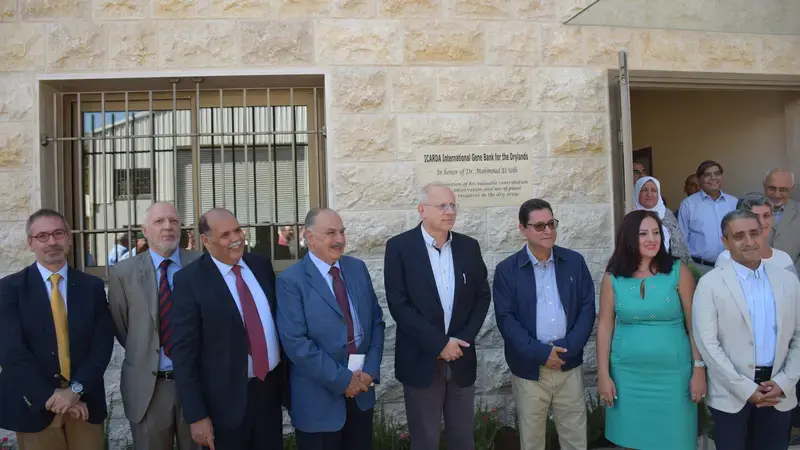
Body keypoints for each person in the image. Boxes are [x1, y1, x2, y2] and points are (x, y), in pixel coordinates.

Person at [384, 182, 491, 450]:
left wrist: (460, 340)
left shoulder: (469, 247)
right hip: (421, 361)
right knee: (425, 441)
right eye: (442, 205)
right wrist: (440, 344)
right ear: (422, 210)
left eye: (453, 205)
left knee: (463, 440)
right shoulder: (399, 247)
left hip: (460, 358)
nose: (450, 211)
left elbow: (482, 296)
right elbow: (399, 305)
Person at [171, 208, 287, 450]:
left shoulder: (261, 265)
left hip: (269, 392)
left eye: (237, 230)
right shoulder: (189, 281)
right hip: (223, 405)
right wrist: (196, 416)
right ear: (205, 240)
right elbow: (183, 355)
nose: (236, 238)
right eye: (225, 235)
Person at [0, 209, 114, 450]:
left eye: (58, 233)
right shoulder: (9, 289)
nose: (52, 241)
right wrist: (52, 399)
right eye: (42, 236)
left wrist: (75, 391)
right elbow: (11, 353)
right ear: (30, 243)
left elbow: (101, 346)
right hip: (35, 408)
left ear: (69, 238)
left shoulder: (91, 287)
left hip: (86, 406)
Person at [276, 208, 385, 450]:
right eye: (331, 233)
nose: (340, 240)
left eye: (342, 232)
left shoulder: (357, 269)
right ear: (309, 237)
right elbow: (296, 343)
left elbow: (376, 322)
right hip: (318, 403)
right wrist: (344, 380)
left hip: (361, 395)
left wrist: (370, 370)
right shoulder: (291, 281)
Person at [597, 210, 706, 450]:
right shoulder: (612, 277)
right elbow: (605, 327)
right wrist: (604, 375)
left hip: (674, 378)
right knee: (632, 441)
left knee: (676, 440)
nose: (651, 239)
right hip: (627, 378)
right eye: (643, 233)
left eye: (656, 232)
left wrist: (699, 369)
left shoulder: (678, 271)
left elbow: (694, 324)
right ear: (628, 238)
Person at [493, 199, 596, 450]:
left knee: (575, 438)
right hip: (530, 369)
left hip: (568, 364)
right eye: (539, 226)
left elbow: (587, 308)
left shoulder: (574, 262)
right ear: (523, 229)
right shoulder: (507, 270)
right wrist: (541, 353)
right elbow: (506, 320)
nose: (548, 230)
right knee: (532, 441)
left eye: (551, 223)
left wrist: (566, 349)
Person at [693, 209, 800, 450]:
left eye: (754, 233)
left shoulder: (788, 280)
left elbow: (798, 335)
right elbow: (708, 343)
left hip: (778, 392)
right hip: (731, 394)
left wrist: (785, 381)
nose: (749, 241)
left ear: (763, 233)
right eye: (739, 235)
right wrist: (744, 388)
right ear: (725, 241)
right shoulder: (710, 284)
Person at [107, 202, 202, 450]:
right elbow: (122, 327)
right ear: (145, 230)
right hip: (149, 389)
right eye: (159, 222)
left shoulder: (202, 265)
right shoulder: (122, 272)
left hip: (196, 385)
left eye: (173, 221)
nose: (168, 227)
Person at [714, 193, 797, 277]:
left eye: (766, 216)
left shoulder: (784, 258)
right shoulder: (726, 258)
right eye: (754, 216)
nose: (762, 222)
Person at [678, 160, 738, 273]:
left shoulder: (733, 203)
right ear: (699, 179)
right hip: (700, 268)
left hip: (731, 266)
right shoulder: (688, 204)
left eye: (717, 173)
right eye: (707, 175)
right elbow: (682, 241)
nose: (713, 178)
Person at [634, 176, 691, 264]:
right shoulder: (631, 215)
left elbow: (679, 244)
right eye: (644, 190)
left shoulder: (667, 214)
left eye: (654, 190)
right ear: (637, 192)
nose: (649, 194)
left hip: (670, 267)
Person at [764, 168, 800, 275]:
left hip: (792, 278)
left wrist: (794, 276)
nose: (777, 194)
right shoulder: (749, 210)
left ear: (791, 189)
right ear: (764, 186)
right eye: (772, 188)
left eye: (783, 189)